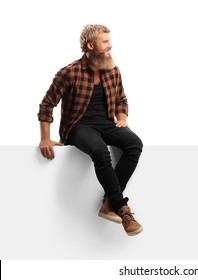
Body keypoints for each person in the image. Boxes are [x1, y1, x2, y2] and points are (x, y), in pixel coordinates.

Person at [38, 24, 143, 236]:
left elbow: (121, 99)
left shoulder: (113, 70)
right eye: (105, 42)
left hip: (106, 123)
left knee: (135, 144)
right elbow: (47, 104)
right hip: (78, 126)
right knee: (100, 150)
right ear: (90, 45)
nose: (110, 45)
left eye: (109, 41)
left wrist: (121, 118)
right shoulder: (69, 73)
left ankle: (108, 204)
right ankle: (122, 209)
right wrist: (45, 139)